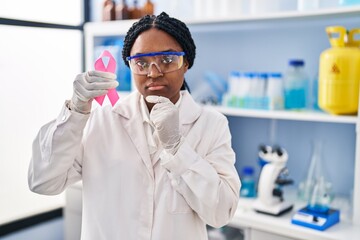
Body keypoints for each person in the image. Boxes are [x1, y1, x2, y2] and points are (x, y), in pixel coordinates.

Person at [28, 12, 240, 240]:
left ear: (185, 62)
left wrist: (178, 148)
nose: (153, 73)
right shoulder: (101, 120)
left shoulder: (211, 125)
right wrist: (76, 111)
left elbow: (221, 213)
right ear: (130, 66)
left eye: (167, 60)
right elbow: (43, 181)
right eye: (141, 62)